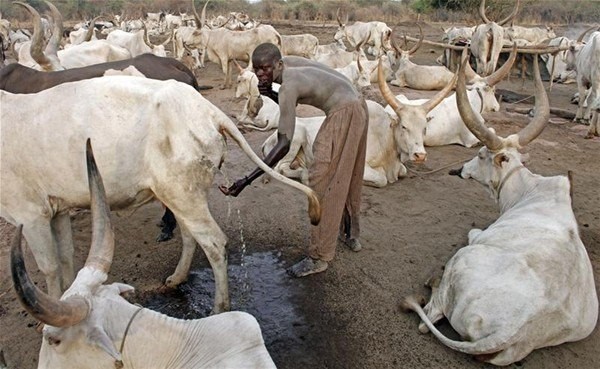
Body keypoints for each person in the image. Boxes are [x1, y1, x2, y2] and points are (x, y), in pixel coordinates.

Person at [219, 42, 368, 277]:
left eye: (266, 69)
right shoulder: (288, 64)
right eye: (256, 70)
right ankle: (351, 234)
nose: (260, 74)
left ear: (278, 64)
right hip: (358, 103)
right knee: (349, 172)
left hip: (344, 111)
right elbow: (307, 92)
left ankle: (319, 256)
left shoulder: (288, 85)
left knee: (323, 179)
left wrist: (247, 180)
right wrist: (271, 93)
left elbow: (284, 143)